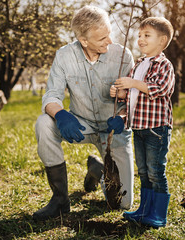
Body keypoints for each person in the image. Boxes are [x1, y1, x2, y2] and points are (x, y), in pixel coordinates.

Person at [34, 5, 135, 221]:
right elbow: (51, 95)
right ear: (84, 40)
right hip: (81, 125)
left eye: (109, 34)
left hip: (113, 130)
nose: (109, 41)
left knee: (121, 203)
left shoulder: (123, 55)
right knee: (44, 122)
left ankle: (97, 170)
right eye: (102, 39)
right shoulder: (64, 56)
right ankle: (60, 200)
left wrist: (124, 117)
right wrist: (61, 115)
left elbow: (135, 98)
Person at [110, 17, 175, 228]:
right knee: (144, 171)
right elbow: (129, 95)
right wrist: (118, 91)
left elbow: (160, 89)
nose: (141, 39)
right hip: (138, 127)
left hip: (156, 128)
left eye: (147, 35)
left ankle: (158, 214)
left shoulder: (164, 65)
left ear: (162, 40)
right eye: (139, 35)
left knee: (156, 171)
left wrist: (133, 83)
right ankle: (144, 210)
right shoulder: (139, 64)